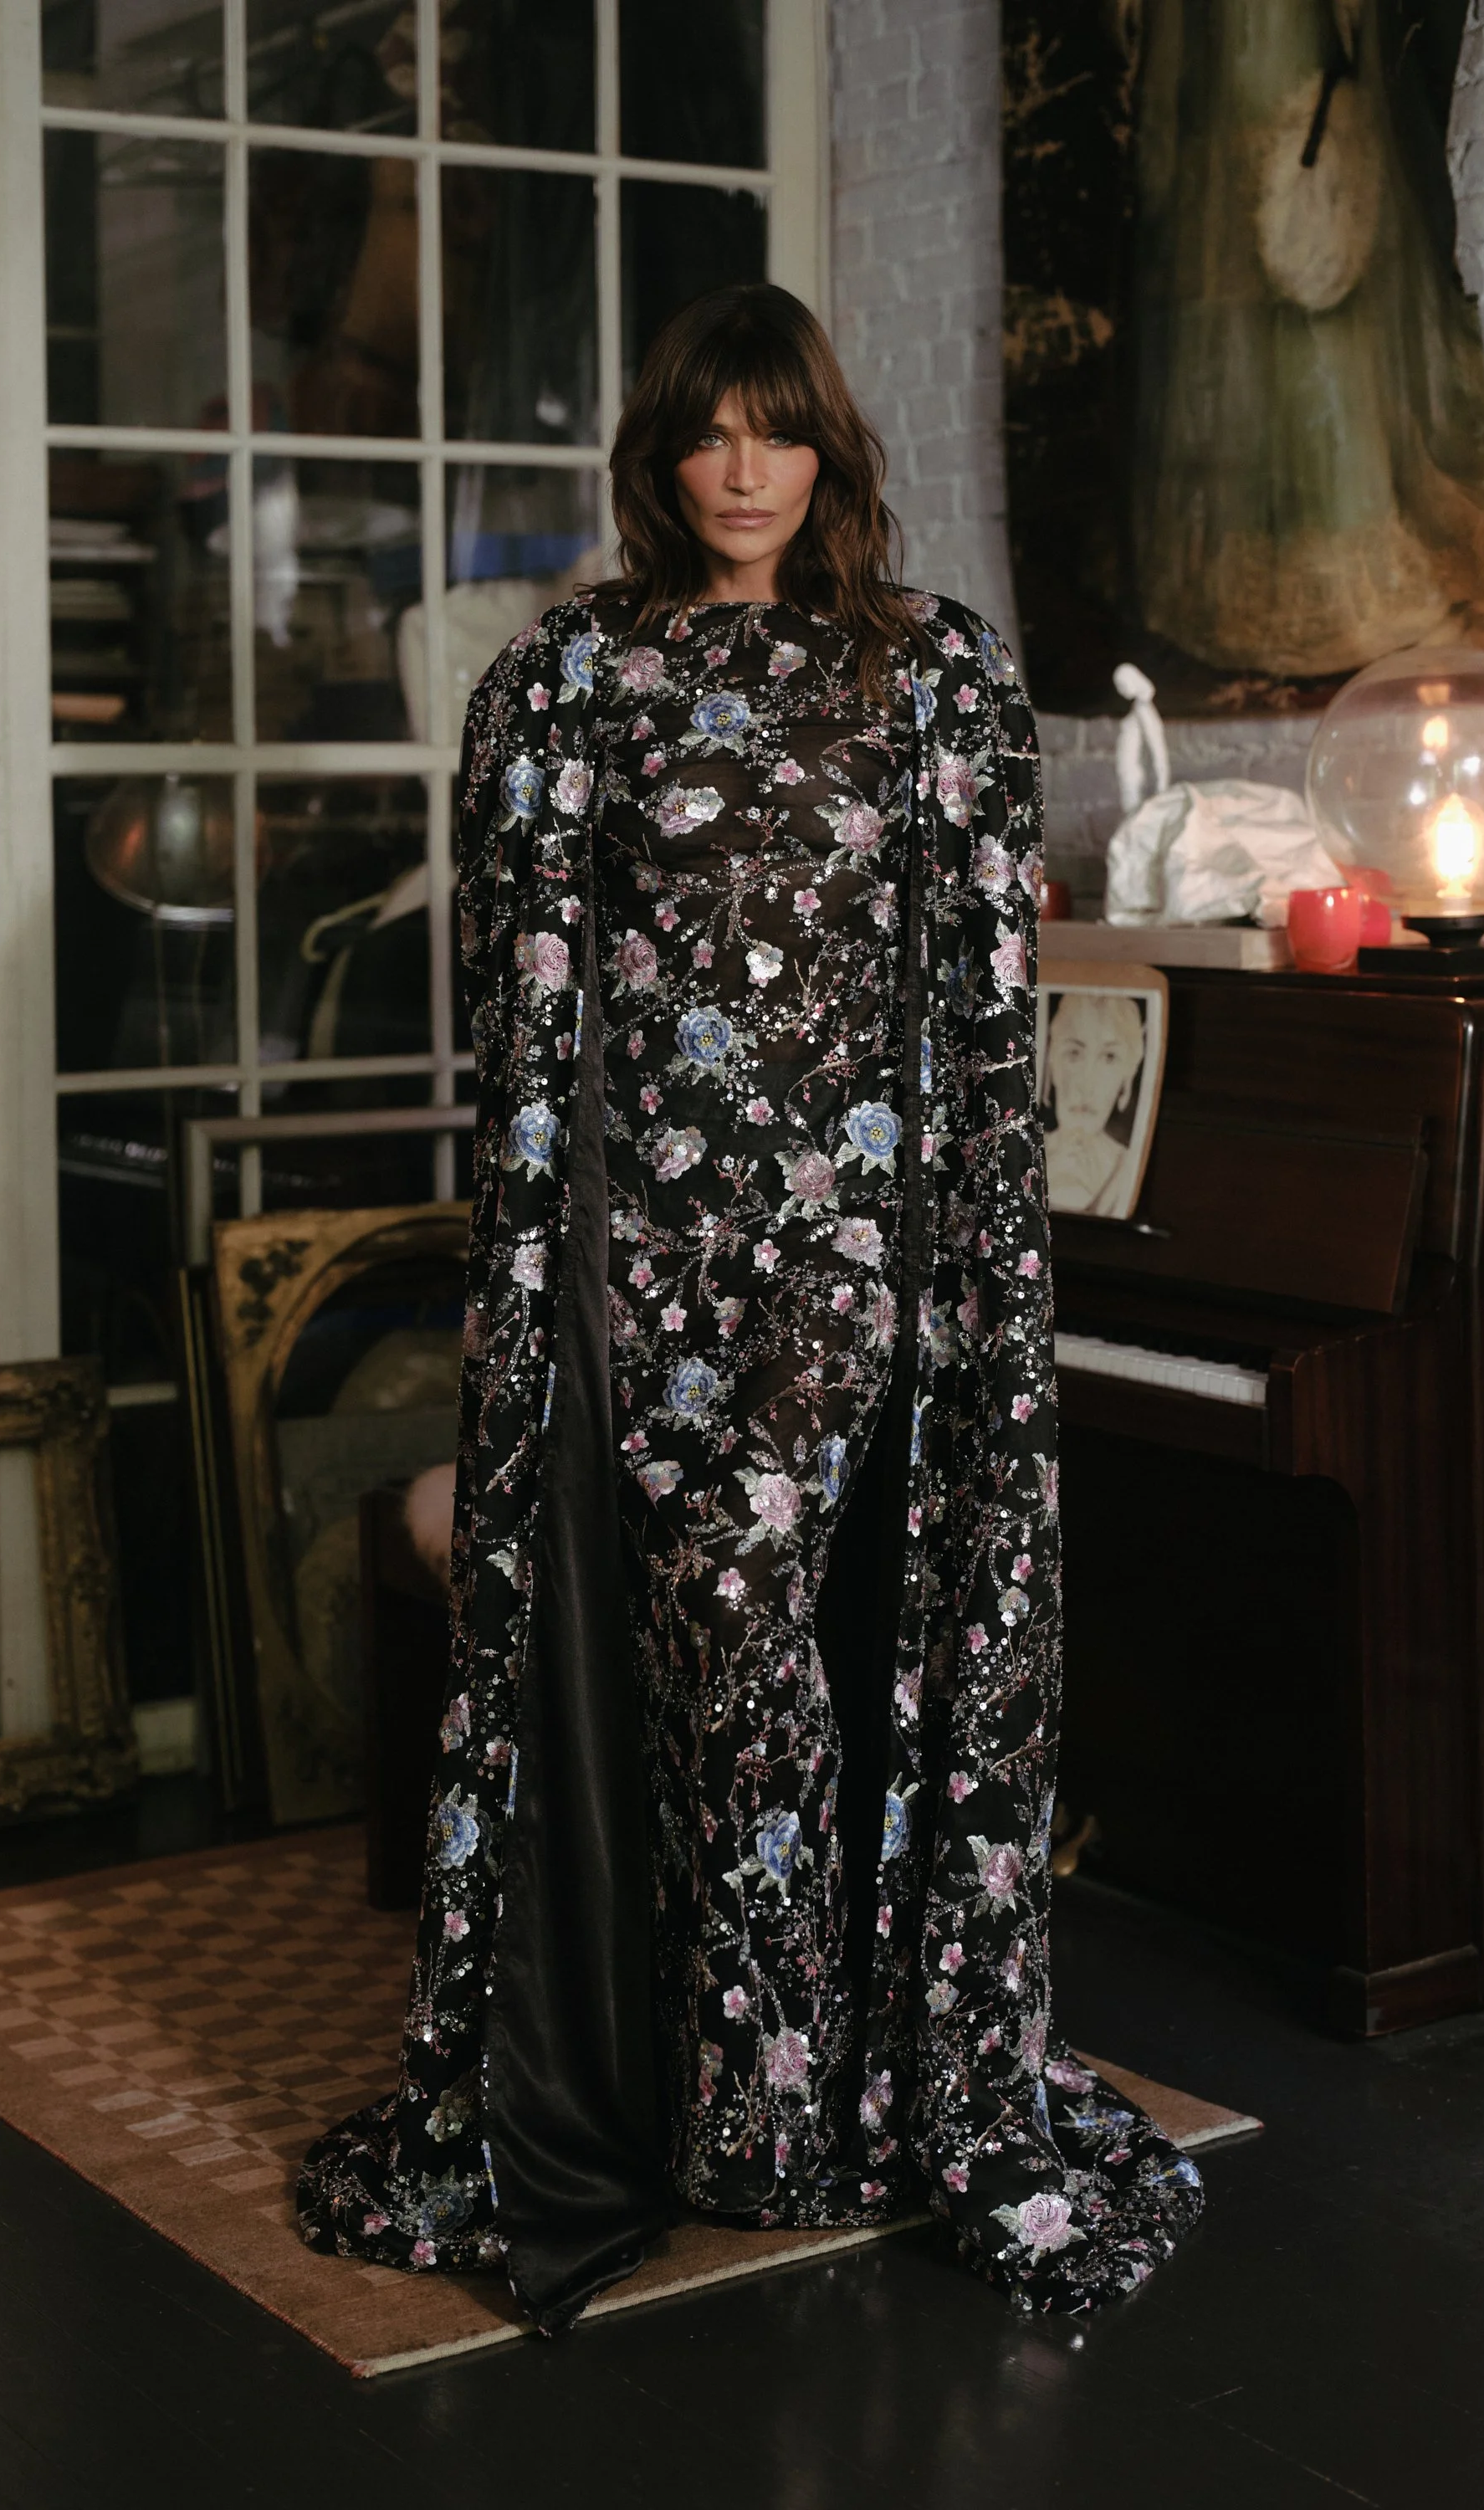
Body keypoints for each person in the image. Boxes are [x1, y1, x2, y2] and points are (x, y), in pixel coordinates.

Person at [297, 283, 1204, 2329]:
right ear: (659, 452)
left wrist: (962, 1282)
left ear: (824, 452)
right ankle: (715, 2099)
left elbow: (978, 1009)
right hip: (644, 1270)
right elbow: (519, 1025)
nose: (737, 468)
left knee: (814, 1641)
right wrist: (537, 1291)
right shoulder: (565, 681)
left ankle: (823, 2097)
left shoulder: (933, 676)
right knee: (706, 1645)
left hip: (849, 1267)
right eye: (705, 431)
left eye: (772, 431)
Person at [1041, 991, 1147, 1215]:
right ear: (1053, 1064)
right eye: (1074, 1053)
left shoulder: (1129, 1167)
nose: (1086, 1085)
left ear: (1126, 1077)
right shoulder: (1011, 1153)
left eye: (1109, 1057)